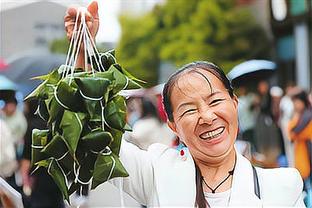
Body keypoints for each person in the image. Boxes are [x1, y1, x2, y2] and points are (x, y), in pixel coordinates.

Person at [64, 2, 305, 207]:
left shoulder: (281, 186)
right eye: (189, 109)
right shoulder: (156, 170)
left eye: (215, 101)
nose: (207, 116)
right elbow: (94, 137)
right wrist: (84, 53)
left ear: (234, 102)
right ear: (172, 125)